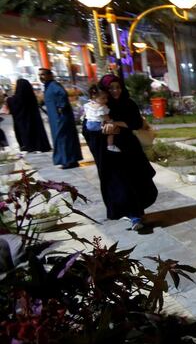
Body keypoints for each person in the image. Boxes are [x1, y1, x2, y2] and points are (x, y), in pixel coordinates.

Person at [83, 74, 158, 231]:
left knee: (137, 182)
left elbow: (136, 122)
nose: (115, 91)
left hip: (130, 151)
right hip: (111, 154)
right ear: (104, 90)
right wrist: (103, 129)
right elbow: (87, 127)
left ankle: (136, 213)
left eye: (118, 87)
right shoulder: (98, 104)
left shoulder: (128, 103)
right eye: (111, 88)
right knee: (122, 184)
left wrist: (116, 123)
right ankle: (134, 216)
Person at [40, 68, 82, 168]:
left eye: (43, 74)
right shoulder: (48, 86)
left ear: (50, 75)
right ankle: (71, 160)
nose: (41, 77)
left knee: (63, 138)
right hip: (56, 118)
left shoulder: (54, 85)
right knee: (63, 138)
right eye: (40, 75)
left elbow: (62, 94)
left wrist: (61, 106)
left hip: (61, 118)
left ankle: (68, 161)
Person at [7, 78, 51, 153]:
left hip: (22, 122)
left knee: (25, 133)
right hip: (33, 120)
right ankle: (39, 145)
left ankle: (29, 146)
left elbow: (13, 107)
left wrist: (9, 100)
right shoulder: (31, 97)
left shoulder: (15, 99)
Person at [84, 84, 121, 153]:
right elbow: (106, 117)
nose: (106, 100)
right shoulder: (102, 107)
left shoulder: (88, 105)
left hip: (88, 125)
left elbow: (86, 114)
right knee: (112, 131)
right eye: (103, 98)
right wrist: (111, 122)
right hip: (97, 125)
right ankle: (110, 145)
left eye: (106, 98)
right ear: (94, 96)